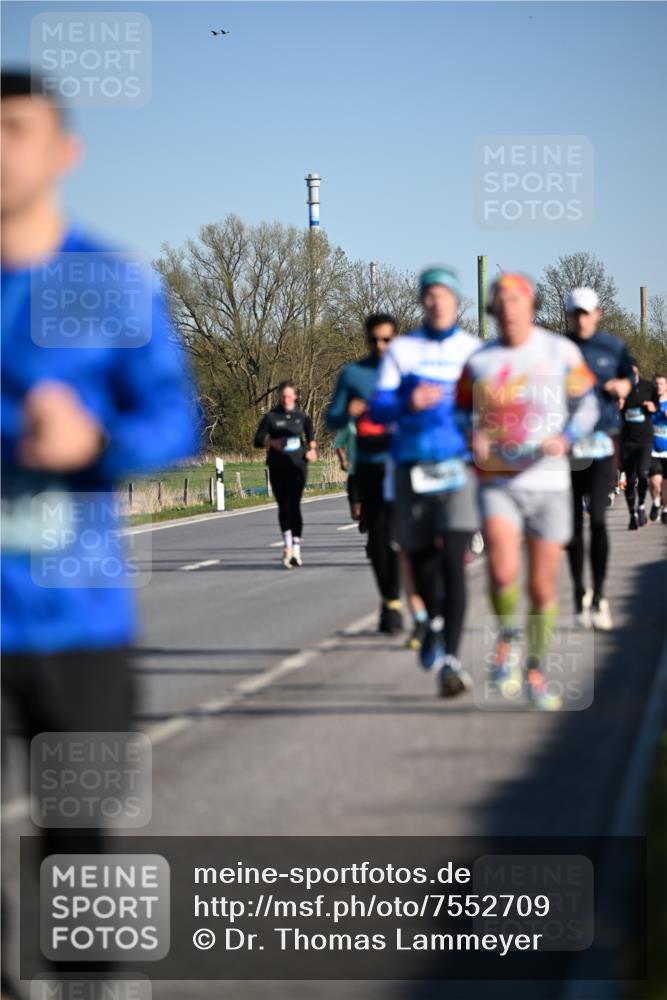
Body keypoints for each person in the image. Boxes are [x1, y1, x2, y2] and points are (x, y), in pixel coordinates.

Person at [1, 70, 199, 998]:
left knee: (78, 843)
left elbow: (174, 421)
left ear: (62, 151)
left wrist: (96, 441)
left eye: (14, 129)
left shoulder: (109, 281)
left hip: (76, 615)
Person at [457, 274, 598, 710]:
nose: (509, 307)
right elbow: (460, 411)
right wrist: (472, 436)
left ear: (531, 304)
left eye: (516, 299)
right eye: (501, 301)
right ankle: (509, 641)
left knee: (541, 588)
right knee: (501, 572)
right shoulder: (480, 360)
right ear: (493, 310)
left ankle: (534, 670)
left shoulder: (560, 351)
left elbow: (589, 403)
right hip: (498, 480)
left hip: (549, 482)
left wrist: (568, 436)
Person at [371, 268, 481, 696]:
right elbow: (378, 409)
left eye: (444, 295)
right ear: (422, 302)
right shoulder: (403, 350)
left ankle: (451, 660)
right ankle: (433, 623)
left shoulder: (473, 351)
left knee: (453, 560)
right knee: (418, 559)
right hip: (411, 466)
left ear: (456, 301)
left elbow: (491, 408)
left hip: (458, 467)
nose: (437, 302)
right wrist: (405, 401)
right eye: (429, 295)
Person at [327, 314, 403, 634]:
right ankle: (390, 602)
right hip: (370, 465)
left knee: (404, 538)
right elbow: (331, 418)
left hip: (403, 463)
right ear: (367, 340)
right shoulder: (354, 374)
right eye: (374, 340)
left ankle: (407, 604)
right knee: (378, 540)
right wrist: (348, 412)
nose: (380, 345)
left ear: (395, 339)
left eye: (386, 339)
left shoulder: (407, 373)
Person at [564, 287, 633, 629]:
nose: (581, 318)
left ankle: (601, 595)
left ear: (597, 314)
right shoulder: (560, 349)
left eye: (586, 312)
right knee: (573, 524)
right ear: (569, 315)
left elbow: (629, 378)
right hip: (570, 446)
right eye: (575, 313)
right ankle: (580, 594)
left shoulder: (613, 346)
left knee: (600, 520)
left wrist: (622, 387)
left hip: (604, 440)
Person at [254, 381, 317, 567]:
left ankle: (296, 550)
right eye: (283, 397)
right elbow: (257, 440)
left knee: (294, 505)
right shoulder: (271, 417)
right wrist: (271, 443)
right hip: (277, 465)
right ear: (279, 398)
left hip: (298, 465)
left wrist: (312, 451)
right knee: (283, 506)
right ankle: (287, 545)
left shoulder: (302, 417)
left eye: (289, 396)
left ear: (295, 397)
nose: (286, 399)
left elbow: (311, 439)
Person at [620, 360, 659, 529]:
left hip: (644, 440)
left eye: (634, 373)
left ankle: (641, 505)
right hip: (627, 440)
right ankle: (632, 515)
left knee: (643, 475)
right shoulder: (620, 389)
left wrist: (653, 406)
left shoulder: (648, 387)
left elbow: (658, 405)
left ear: (638, 373)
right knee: (630, 479)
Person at [334, 419, 363, 526]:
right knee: (355, 514)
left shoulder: (380, 420)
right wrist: (343, 461)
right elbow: (338, 444)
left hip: (374, 470)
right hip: (354, 471)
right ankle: (364, 517)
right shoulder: (349, 424)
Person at [648, 373, 667, 524]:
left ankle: (665, 508)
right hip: (652, 449)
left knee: (666, 485)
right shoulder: (650, 402)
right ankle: (655, 503)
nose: (659, 386)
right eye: (657, 383)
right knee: (655, 481)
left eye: (662, 383)